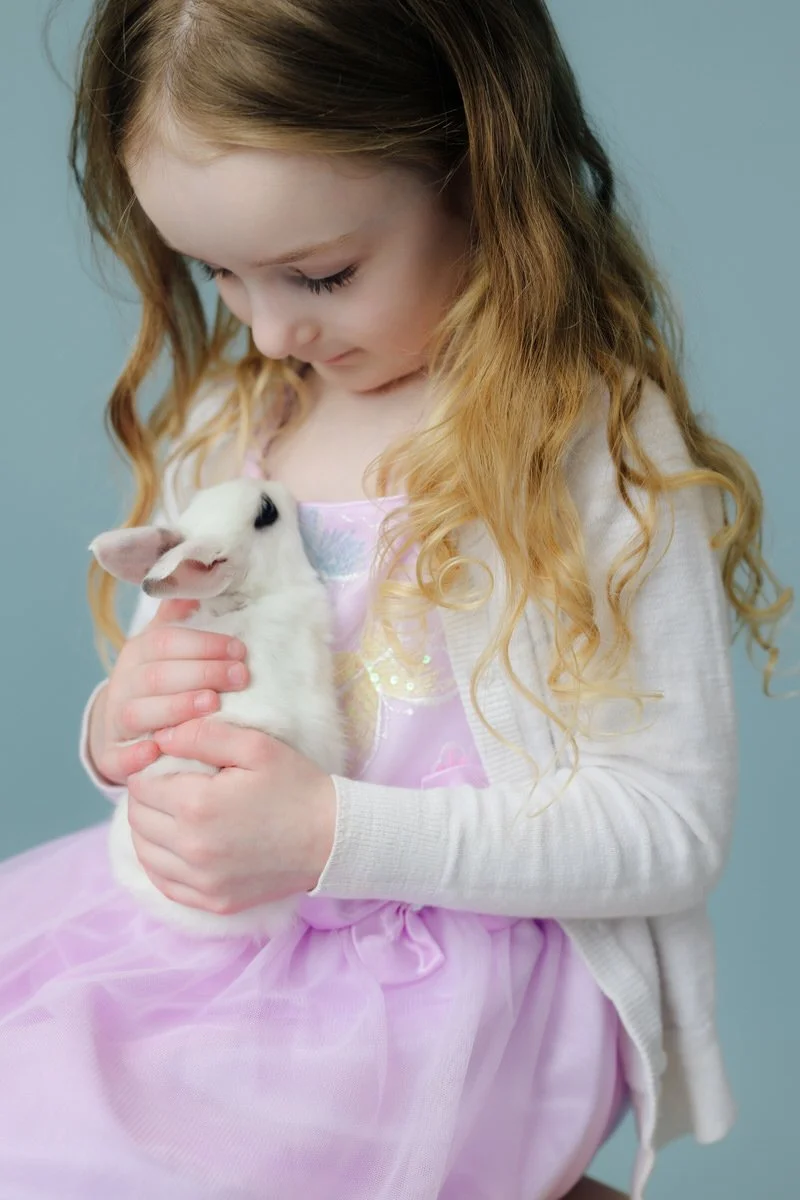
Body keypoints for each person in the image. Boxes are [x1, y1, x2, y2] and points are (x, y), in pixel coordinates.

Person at [0, 1, 791, 1198]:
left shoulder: (577, 441)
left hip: (437, 991)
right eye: (217, 274)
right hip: (222, 953)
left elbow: (667, 832)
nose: (269, 328)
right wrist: (122, 731)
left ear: (477, 170)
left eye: (320, 272)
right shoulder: (235, 422)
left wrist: (329, 837)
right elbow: (209, 740)